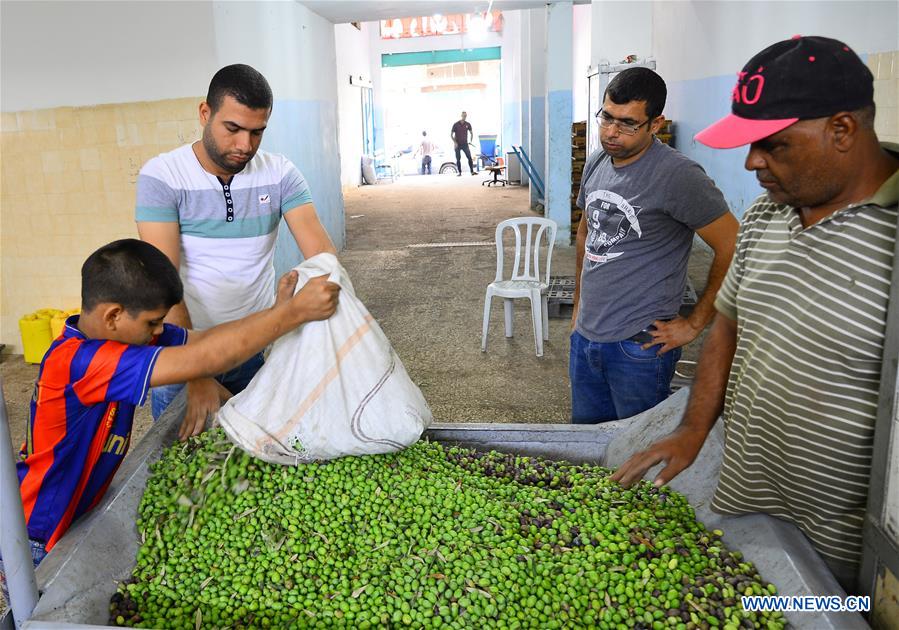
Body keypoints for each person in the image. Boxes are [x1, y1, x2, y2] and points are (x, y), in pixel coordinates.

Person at [612, 36, 898, 594]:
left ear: (841, 131)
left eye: (772, 145)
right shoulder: (769, 214)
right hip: (750, 503)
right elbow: (729, 323)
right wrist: (695, 428)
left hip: (846, 550)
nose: (751, 162)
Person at [0, 239, 339, 601]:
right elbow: (206, 358)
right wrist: (291, 316)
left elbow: (205, 339)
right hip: (39, 531)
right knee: (36, 613)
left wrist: (276, 312)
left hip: (78, 509)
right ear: (113, 316)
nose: (160, 332)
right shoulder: (81, 361)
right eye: (153, 322)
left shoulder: (128, 340)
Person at [135, 64, 337, 439]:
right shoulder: (163, 177)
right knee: (189, 475)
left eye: (257, 132)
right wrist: (198, 371)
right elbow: (162, 284)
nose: (245, 145)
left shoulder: (279, 175)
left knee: (258, 465)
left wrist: (304, 314)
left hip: (254, 352)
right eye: (233, 129)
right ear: (204, 113)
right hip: (183, 358)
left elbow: (323, 257)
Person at [570, 67, 738, 423]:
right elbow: (586, 232)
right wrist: (578, 308)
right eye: (607, 118)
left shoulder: (678, 176)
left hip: (640, 348)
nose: (611, 133)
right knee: (586, 448)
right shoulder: (599, 160)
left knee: (636, 454)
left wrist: (694, 324)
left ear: (656, 124)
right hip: (585, 338)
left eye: (628, 124)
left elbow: (733, 244)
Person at [451, 111, 476, 176]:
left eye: (465, 116)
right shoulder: (456, 124)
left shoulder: (468, 124)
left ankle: (472, 171)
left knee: (469, 158)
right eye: (463, 115)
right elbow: (451, 135)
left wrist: (470, 141)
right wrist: (455, 142)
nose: (464, 117)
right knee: (458, 159)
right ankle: (459, 172)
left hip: (465, 144)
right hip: (457, 144)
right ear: (461, 115)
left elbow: (471, 133)